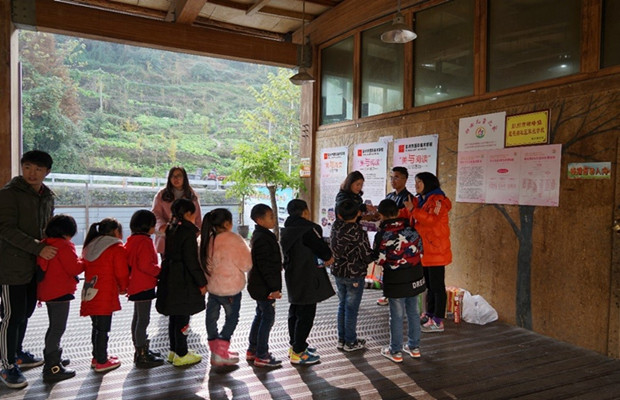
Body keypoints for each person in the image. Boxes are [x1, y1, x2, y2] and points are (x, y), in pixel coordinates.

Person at [0, 150, 55, 389]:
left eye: (38, 169)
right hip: (10, 265)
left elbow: (48, 228)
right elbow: (5, 229)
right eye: (28, 167)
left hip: (34, 266)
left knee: (25, 312)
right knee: (11, 316)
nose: (32, 173)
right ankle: (7, 365)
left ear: (47, 172)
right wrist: (38, 248)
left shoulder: (47, 196)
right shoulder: (8, 194)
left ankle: (17, 353)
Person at [280, 199, 335, 365]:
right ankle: (298, 352)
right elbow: (323, 250)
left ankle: (296, 345)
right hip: (307, 275)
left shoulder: (287, 229)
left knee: (295, 310)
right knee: (306, 314)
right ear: (305, 212)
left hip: (293, 275)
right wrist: (328, 257)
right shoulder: (308, 229)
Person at [156, 199, 207, 367]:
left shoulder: (172, 228)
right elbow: (191, 261)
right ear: (188, 214)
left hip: (170, 276)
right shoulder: (187, 232)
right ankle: (182, 353)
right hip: (183, 279)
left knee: (174, 316)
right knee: (183, 316)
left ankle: (174, 350)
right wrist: (201, 282)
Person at [374, 199, 425, 363]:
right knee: (414, 312)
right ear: (397, 212)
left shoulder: (383, 234)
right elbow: (421, 251)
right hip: (415, 276)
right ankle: (414, 347)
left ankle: (395, 351)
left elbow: (379, 260)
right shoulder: (412, 230)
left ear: (381, 215)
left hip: (395, 279)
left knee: (396, 315)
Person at [200, 208, 251, 366]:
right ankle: (220, 351)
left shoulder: (206, 239)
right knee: (232, 318)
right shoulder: (234, 239)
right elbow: (246, 265)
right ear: (228, 223)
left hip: (213, 288)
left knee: (211, 318)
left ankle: (215, 350)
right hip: (230, 289)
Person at [403, 172, 452, 333]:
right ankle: (430, 314)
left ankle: (438, 320)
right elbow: (408, 214)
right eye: (416, 182)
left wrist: (413, 210)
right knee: (429, 286)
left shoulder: (438, 200)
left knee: (437, 287)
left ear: (428, 183)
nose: (416, 185)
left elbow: (432, 220)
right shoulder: (420, 200)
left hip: (436, 250)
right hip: (424, 250)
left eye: (419, 182)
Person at [37, 214, 83, 382]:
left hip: (48, 291)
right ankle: (52, 367)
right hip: (60, 292)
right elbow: (74, 268)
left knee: (53, 327)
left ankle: (54, 358)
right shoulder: (64, 246)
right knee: (57, 328)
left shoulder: (45, 243)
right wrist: (85, 261)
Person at [80, 218, 129, 373]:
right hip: (105, 294)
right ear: (116, 231)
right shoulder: (116, 247)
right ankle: (102, 361)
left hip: (89, 292)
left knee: (96, 326)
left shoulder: (90, 245)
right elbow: (122, 272)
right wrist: (124, 287)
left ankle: (96, 357)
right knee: (103, 329)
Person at [329, 199, 375, 352]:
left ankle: (342, 339)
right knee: (351, 308)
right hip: (354, 273)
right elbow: (366, 255)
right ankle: (350, 341)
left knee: (342, 305)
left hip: (338, 272)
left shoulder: (336, 226)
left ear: (339, 215)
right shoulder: (358, 232)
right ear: (358, 213)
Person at [125, 210, 164, 368]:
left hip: (134, 284)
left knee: (137, 318)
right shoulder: (145, 242)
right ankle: (142, 353)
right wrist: (160, 272)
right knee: (143, 320)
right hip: (144, 285)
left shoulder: (131, 240)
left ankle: (140, 349)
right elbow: (146, 265)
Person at [246, 204, 283, 368]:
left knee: (260, 315)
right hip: (264, 287)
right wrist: (274, 288)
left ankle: (253, 349)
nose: (274, 219)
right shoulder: (263, 238)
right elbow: (266, 267)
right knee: (267, 318)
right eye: (271, 217)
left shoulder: (260, 235)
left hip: (259, 285)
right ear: (259, 220)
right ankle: (262, 355)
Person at [377, 166, 414, 306]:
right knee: (387, 265)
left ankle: (399, 295)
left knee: (400, 266)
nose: (393, 180)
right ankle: (387, 293)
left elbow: (409, 218)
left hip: (401, 237)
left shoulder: (408, 198)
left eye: (397, 177)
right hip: (388, 236)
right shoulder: (389, 196)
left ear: (405, 179)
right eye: (391, 177)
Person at [152, 166, 202, 255]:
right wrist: (162, 226)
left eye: (179, 175)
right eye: (173, 176)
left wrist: (195, 234)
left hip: (187, 238)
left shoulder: (192, 195)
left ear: (184, 178)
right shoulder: (161, 194)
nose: (176, 178)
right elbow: (156, 213)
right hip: (166, 237)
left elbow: (197, 218)